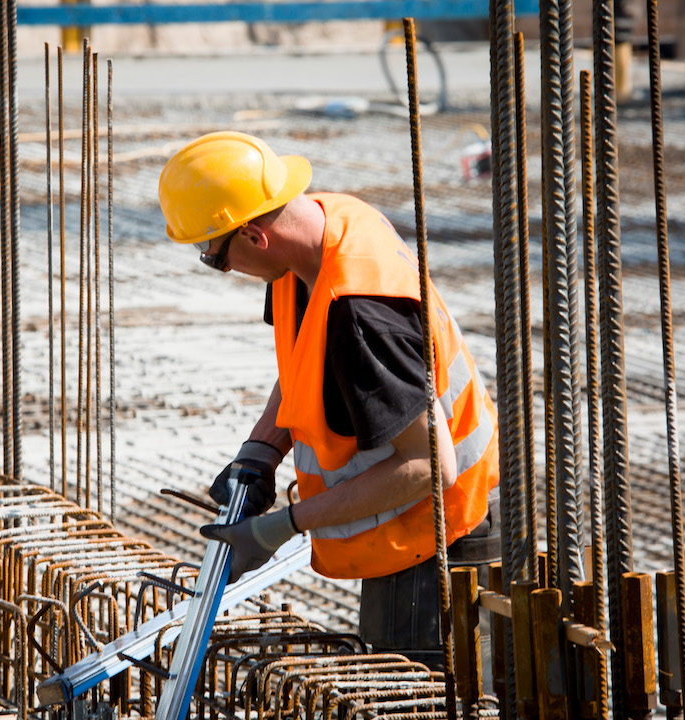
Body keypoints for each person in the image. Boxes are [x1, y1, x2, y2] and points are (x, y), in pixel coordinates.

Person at [157, 131, 501, 673]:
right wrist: (261, 450)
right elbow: (305, 360)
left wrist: (279, 527)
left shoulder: (359, 313)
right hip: (406, 526)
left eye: (214, 258)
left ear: (253, 235)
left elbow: (429, 466)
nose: (221, 270)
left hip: (439, 537)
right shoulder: (320, 229)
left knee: (414, 699)